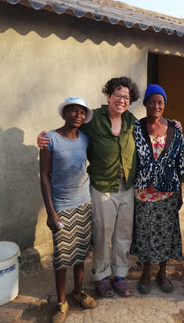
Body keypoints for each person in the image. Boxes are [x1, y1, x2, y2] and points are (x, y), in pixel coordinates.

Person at [39, 77, 140, 298]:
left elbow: (151, 134)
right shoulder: (93, 119)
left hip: (127, 187)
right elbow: (69, 128)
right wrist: (45, 138)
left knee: (123, 234)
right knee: (103, 233)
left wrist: (174, 124)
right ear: (108, 96)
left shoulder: (131, 121)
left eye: (126, 97)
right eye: (117, 95)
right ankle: (102, 276)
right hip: (102, 186)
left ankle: (120, 275)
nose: (121, 100)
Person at [39, 96, 97, 323]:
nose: (78, 116)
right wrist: (50, 212)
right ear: (64, 114)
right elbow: (44, 176)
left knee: (81, 253)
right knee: (62, 258)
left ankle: (78, 291)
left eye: (82, 112)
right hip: (61, 207)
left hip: (84, 202)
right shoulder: (50, 139)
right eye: (73, 111)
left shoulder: (84, 138)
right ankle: (61, 301)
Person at [131, 84, 184, 295]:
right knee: (145, 232)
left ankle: (163, 272)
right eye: (151, 101)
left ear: (165, 104)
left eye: (160, 102)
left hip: (168, 191)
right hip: (143, 191)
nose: (156, 105)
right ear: (145, 104)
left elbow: (180, 164)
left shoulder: (174, 130)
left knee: (165, 232)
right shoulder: (135, 128)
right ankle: (146, 272)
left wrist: (180, 192)